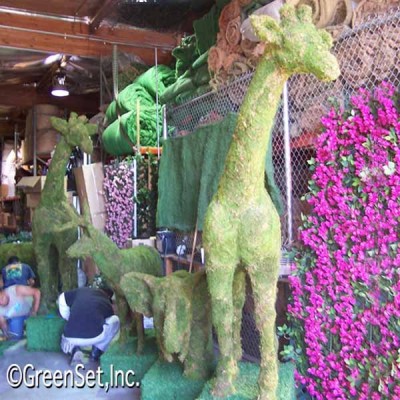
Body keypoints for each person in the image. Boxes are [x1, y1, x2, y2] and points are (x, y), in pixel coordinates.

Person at [58, 286, 120, 365]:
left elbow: (62, 298)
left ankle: (74, 349)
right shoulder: (106, 302)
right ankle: (97, 351)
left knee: (66, 340)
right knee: (115, 320)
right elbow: (108, 319)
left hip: (71, 336)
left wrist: (68, 317)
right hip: (95, 336)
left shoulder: (81, 291)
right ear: (108, 296)